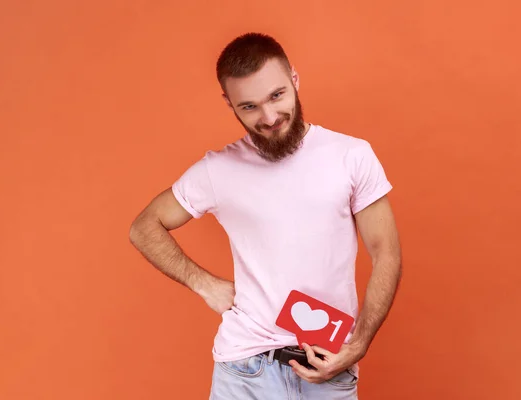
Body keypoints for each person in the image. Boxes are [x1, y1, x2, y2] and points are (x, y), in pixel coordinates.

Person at [129, 32, 402, 399]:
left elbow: (386, 252)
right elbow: (144, 227)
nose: (270, 117)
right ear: (229, 104)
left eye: (277, 95)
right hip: (244, 369)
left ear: (294, 79)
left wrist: (360, 342)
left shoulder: (351, 156)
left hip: (327, 364)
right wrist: (203, 283)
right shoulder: (219, 169)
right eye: (250, 107)